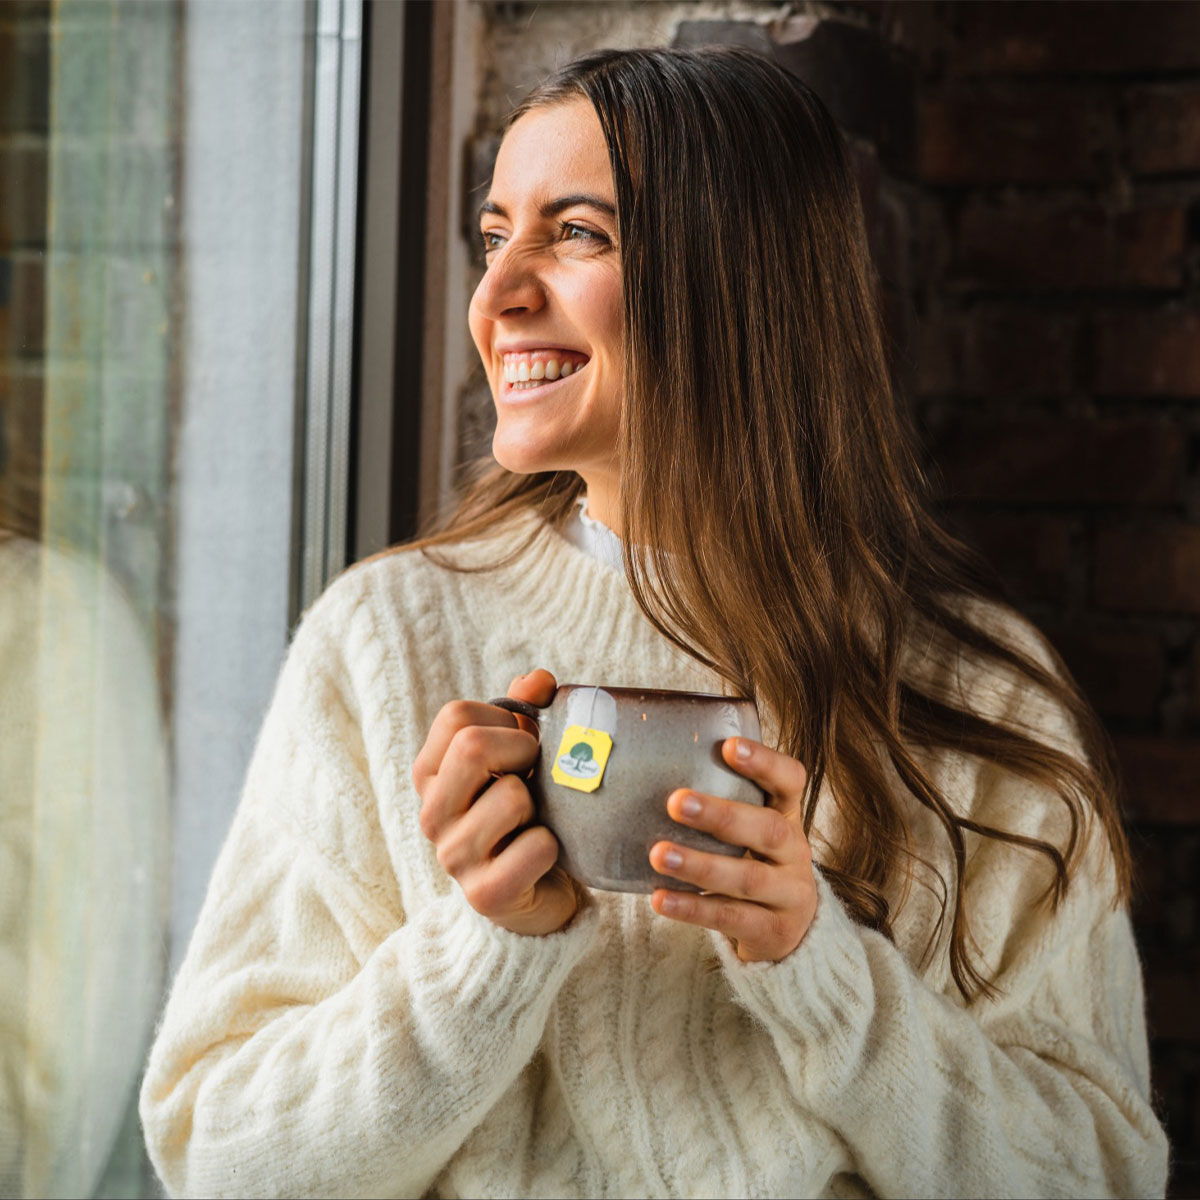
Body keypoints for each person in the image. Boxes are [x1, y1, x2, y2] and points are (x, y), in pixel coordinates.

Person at [139, 46, 1169, 1197]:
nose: (497, 296)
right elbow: (213, 1155)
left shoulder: (978, 696)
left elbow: (1106, 1175)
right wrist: (484, 951)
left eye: (576, 234)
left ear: (741, 280)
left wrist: (821, 971)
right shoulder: (384, 643)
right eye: (494, 237)